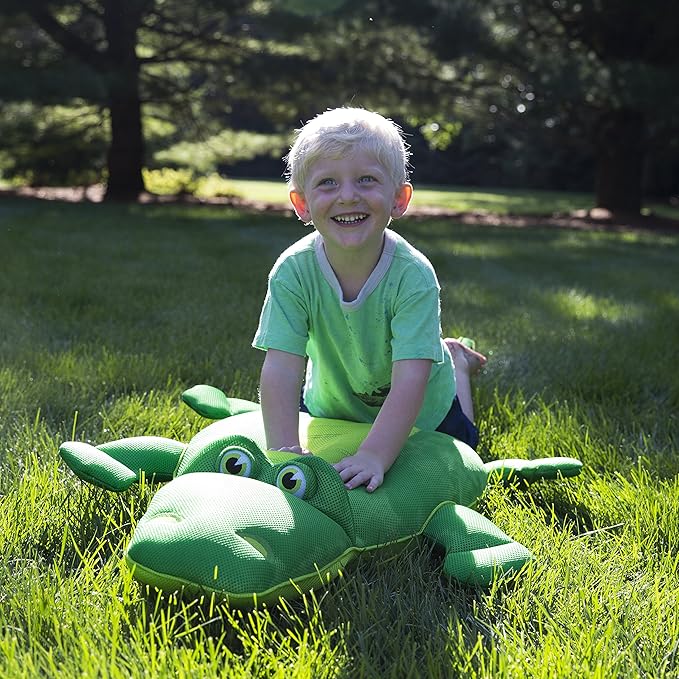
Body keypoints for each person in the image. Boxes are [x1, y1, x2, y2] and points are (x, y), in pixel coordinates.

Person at [253, 107, 486, 493]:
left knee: (467, 449)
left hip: (424, 411)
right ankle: (450, 353)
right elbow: (281, 366)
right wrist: (283, 452)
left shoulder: (413, 275)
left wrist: (374, 455)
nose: (348, 196)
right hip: (333, 406)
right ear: (302, 204)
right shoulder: (292, 272)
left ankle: (457, 364)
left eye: (366, 180)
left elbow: (411, 378)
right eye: (327, 183)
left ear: (399, 198)